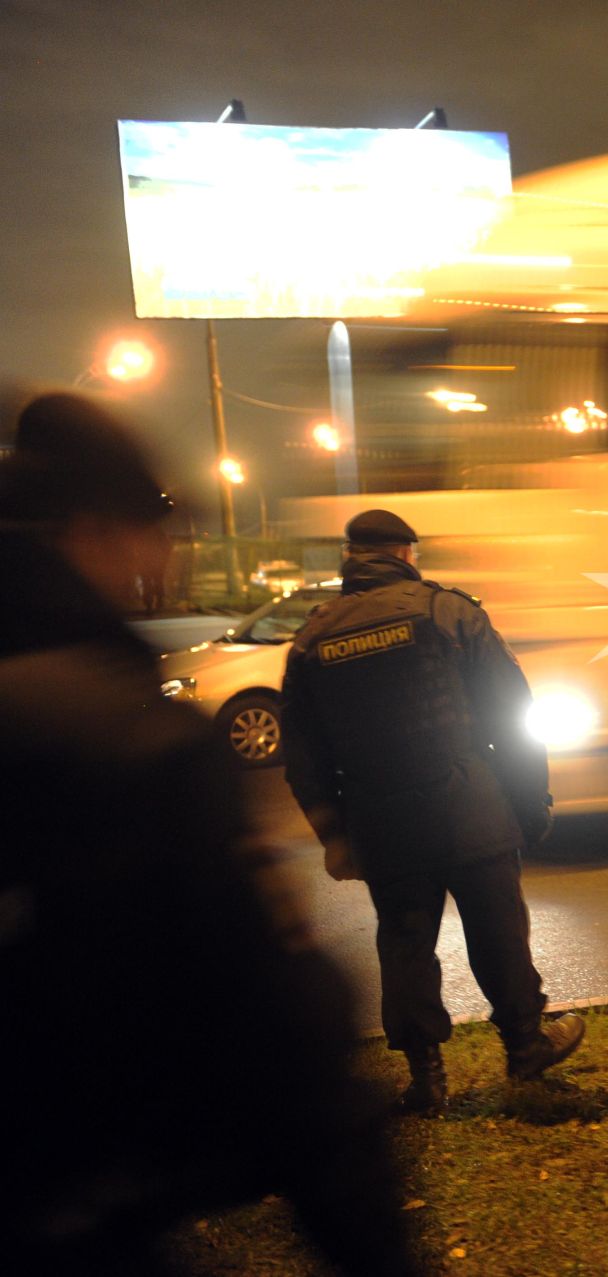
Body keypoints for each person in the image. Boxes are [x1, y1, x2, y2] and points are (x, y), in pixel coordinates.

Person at [0, 393, 417, 1275]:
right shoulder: (124, 739)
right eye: (158, 527)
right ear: (96, 530)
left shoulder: (311, 637)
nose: (164, 555)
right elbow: (281, 1041)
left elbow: (301, 740)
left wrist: (333, 822)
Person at [282, 509, 585, 1112]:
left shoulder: (313, 639)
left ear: (351, 556)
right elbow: (510, 714)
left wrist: (334, 836)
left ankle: (427, 1079)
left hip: (381, 820)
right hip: (469, 805)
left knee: (404, 941)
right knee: (498, 930)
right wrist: (531, 801)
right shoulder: (448, 612)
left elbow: (304, 757)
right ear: (406, 553)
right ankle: (526, 1050)